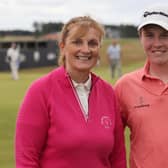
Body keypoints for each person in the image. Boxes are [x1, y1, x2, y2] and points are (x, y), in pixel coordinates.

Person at [15, 16, 126, 167]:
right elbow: (26, 158)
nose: (85, 49)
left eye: (92, 43)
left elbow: (118, 158)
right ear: (62, 47)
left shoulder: (108, 93)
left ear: (99, 49)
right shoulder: (40, 91)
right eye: (77, 42)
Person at [114, 4, 168, 168]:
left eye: (165, 35)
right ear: (140, 37)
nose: (157, 43)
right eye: (149, 35)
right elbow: (111, 144)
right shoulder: (124, 86)